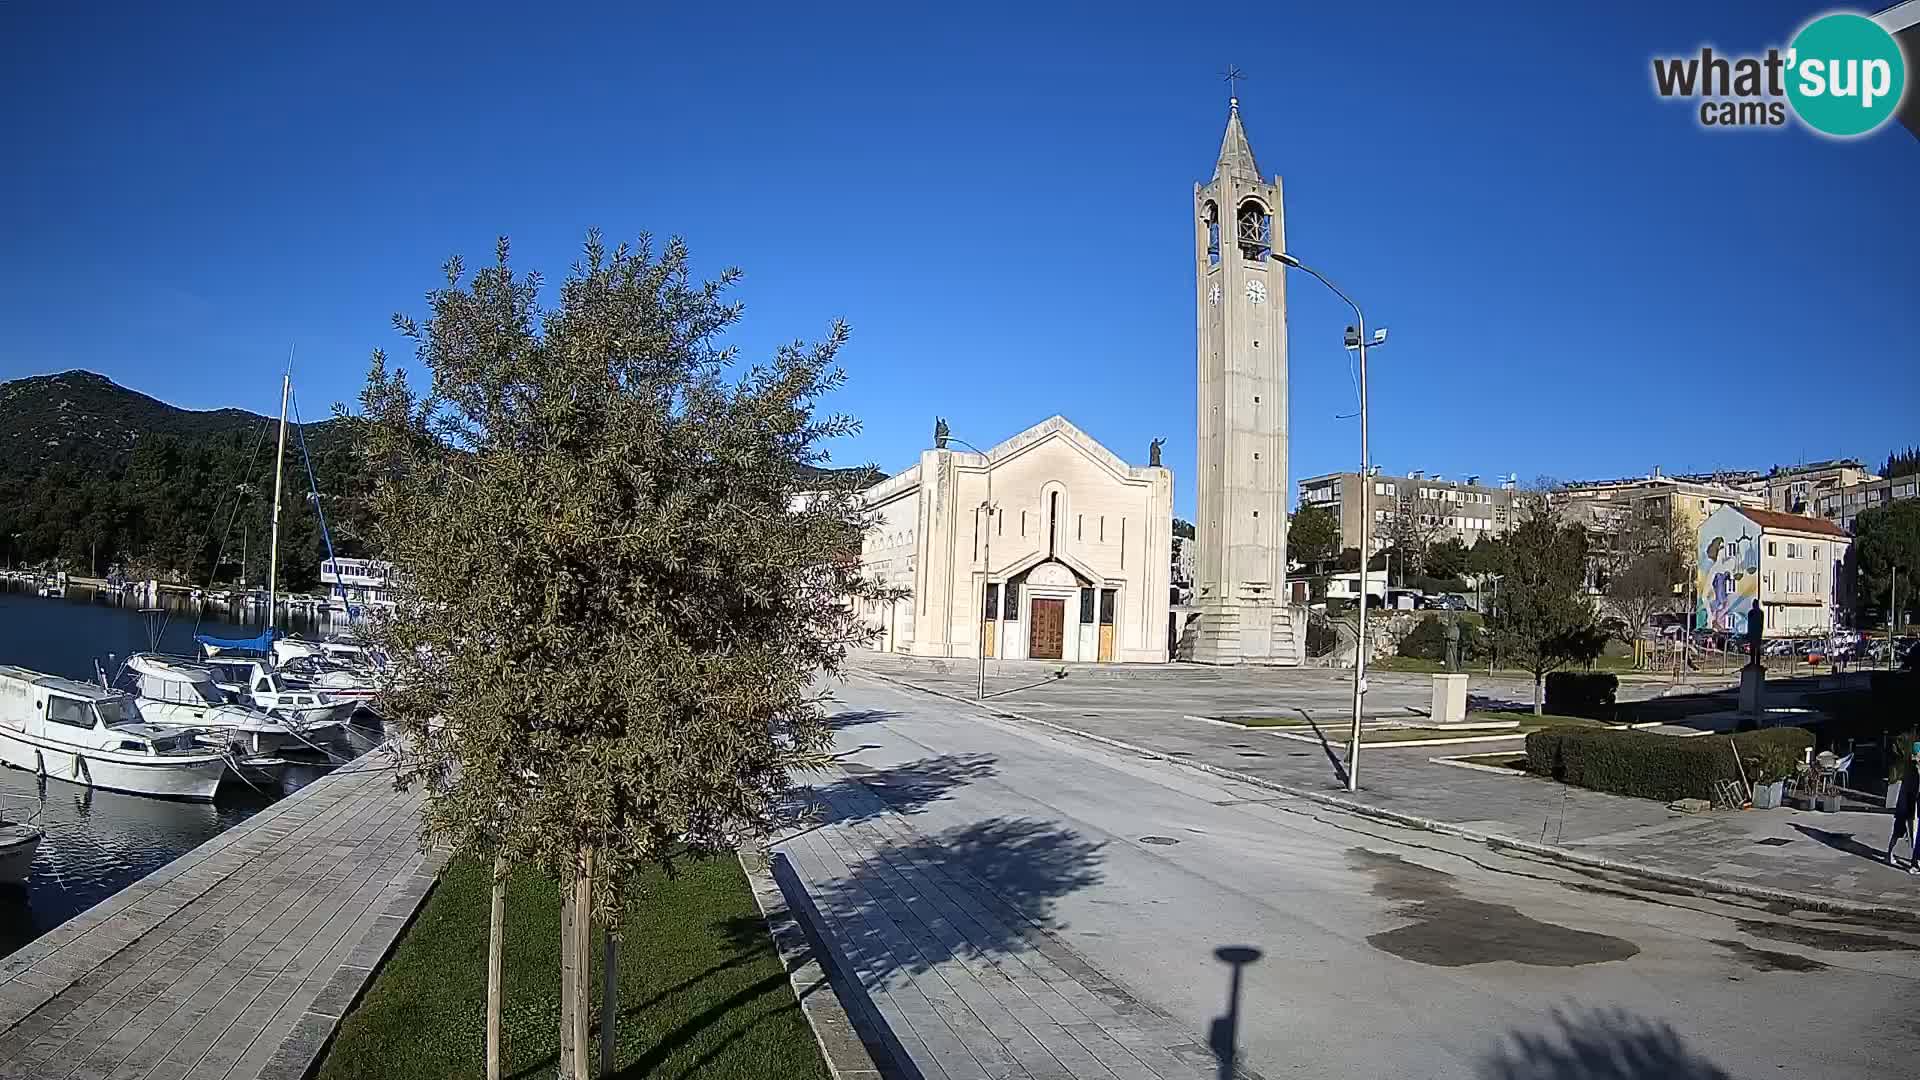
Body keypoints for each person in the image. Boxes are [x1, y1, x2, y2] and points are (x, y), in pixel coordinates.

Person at [1889, 742, 1920, 874]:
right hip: (1906, 806)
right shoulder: (1912, 769)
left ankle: (1914, 861)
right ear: (1916, 754)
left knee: (1913, 834)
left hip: (1913, 806)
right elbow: (1910, 790)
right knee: (1898, 832)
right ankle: (1890, 854)